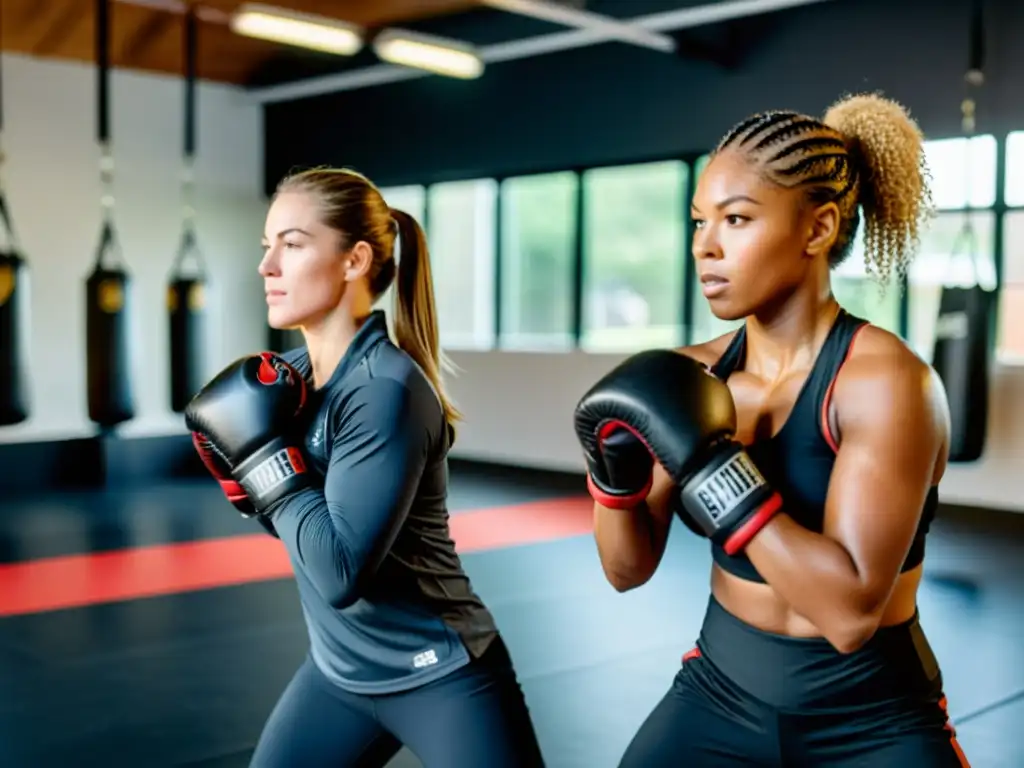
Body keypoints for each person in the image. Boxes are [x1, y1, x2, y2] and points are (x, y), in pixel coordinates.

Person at [574, 94, 972, 766]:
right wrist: (613, 480)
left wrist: (712, 469)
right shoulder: (693, 376)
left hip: (872, 717)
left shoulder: (886, 382)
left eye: (736, 219)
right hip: (722, 691)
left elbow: (847, 617)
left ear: (817, 229)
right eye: (699, 221)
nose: (706, 246)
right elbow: (626, 569)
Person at [185, 167, 546, 768]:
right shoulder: (294, 382)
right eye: (266, 245)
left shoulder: (383, 390)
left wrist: (265, 465)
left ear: (354, 260)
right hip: (339, 674)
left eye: (292, 244)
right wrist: (255, 489)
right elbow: (305, 532)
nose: (267, 266)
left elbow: (339, 574)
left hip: (439, 672)